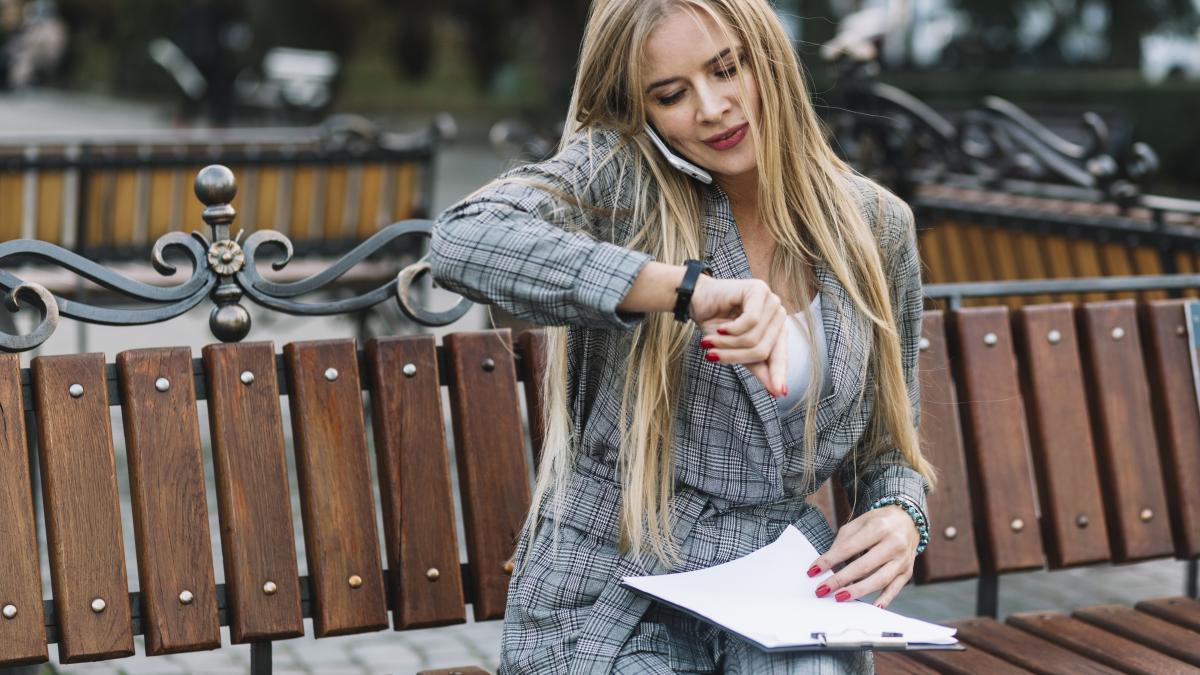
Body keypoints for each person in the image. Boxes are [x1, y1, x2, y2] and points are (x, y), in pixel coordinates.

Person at [430, 0, 936, 672]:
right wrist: (687, 290)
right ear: (640, 108)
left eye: (728, 69)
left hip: (777, 586)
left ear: (770, 57)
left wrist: (900, 513)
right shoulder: (622, 181)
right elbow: (464, 239)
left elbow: (888, 444)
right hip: (611, 583)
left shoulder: (875, 226)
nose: (712, 107)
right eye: (671, 94)